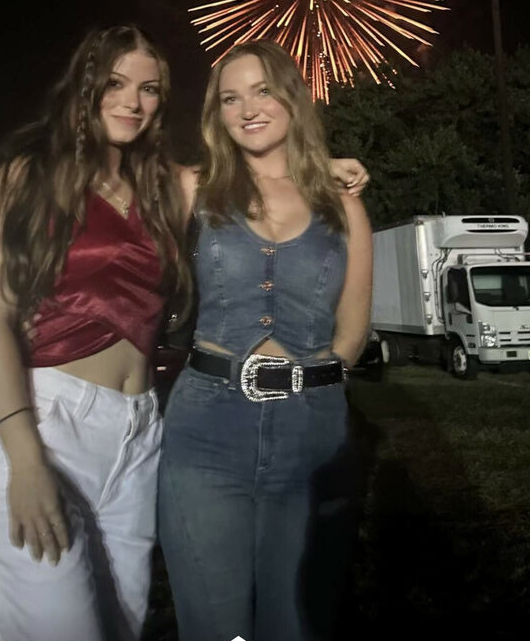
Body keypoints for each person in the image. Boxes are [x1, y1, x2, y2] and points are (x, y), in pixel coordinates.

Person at [0, 25, 188, 641]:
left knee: (121, 629)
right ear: (85, 86)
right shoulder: (28, 177)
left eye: (149, 89)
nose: (132, 101)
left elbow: (251, 182)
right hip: (47, 426)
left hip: (138, 437)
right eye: (115, 83)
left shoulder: (163, 188)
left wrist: (323, 168)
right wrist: (25, 459)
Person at [158, 40, 373, 641]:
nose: (248, 108)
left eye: (262, 91)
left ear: (292, 98)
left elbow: (352, 331)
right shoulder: (195, 189)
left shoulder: (344, 208)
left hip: (311, 433)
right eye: (230, 98)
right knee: (215, 625)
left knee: (296, 623)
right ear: (217, 114)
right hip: (206, 430)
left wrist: (311, 393)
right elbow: (115, 172)